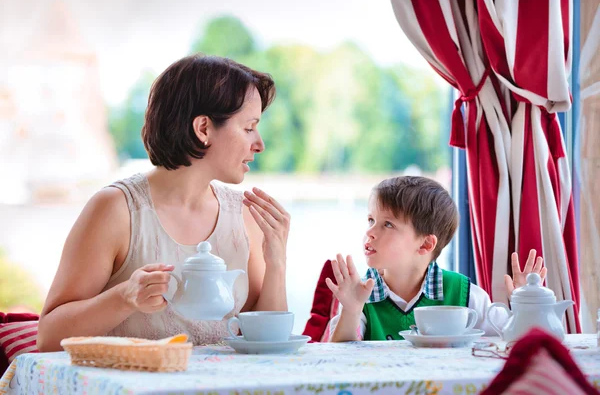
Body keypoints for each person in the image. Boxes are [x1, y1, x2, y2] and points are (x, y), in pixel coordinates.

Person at [37, 54, 290, 351]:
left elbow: (267, 342)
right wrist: (124, 297)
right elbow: (49, 337)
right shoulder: (116, 210)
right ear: (204, 129)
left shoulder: (245, 217)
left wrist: (277, 262)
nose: (259, 144)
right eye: (248, 128)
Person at [327, 175, 546, 341]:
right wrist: (352, 309)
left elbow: (511, 342)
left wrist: (525, 306)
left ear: (425, 244)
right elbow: (340, 362)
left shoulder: (463, 293)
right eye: (370, 220)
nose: (370, 232)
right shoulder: (360, 294)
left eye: (388, 224)